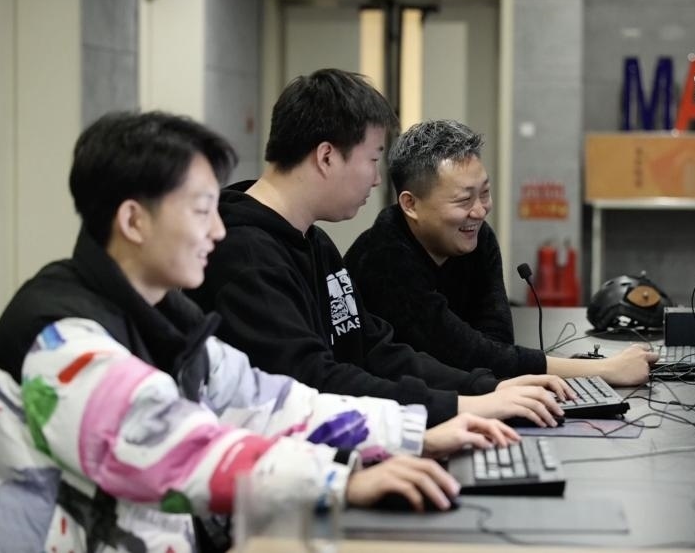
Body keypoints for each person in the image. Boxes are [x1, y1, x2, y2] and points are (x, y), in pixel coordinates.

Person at [0, 111, 517, 553]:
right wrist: (342, 482)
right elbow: (184, 455)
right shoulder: (62, 342)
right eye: (201, 210)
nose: (217, 230)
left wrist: (415, 432)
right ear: (134, 221)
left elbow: (271, 401)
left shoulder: (159, 313)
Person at [187, 69, 570, 430]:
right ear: (326, 157)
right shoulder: (245, 256)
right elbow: (314, 383)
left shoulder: (314, 242)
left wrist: (486, 388)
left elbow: (373, 348)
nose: (375, 179)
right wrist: (460, 407)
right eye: (372, 159)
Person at [345, 119, 657, 385]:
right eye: (464, 200)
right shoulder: (383, 260)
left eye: (484, 193)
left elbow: (496, 342)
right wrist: (603, 370)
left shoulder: (477, 238)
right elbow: (463, 354)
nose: (480, 211)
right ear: (411, 204)